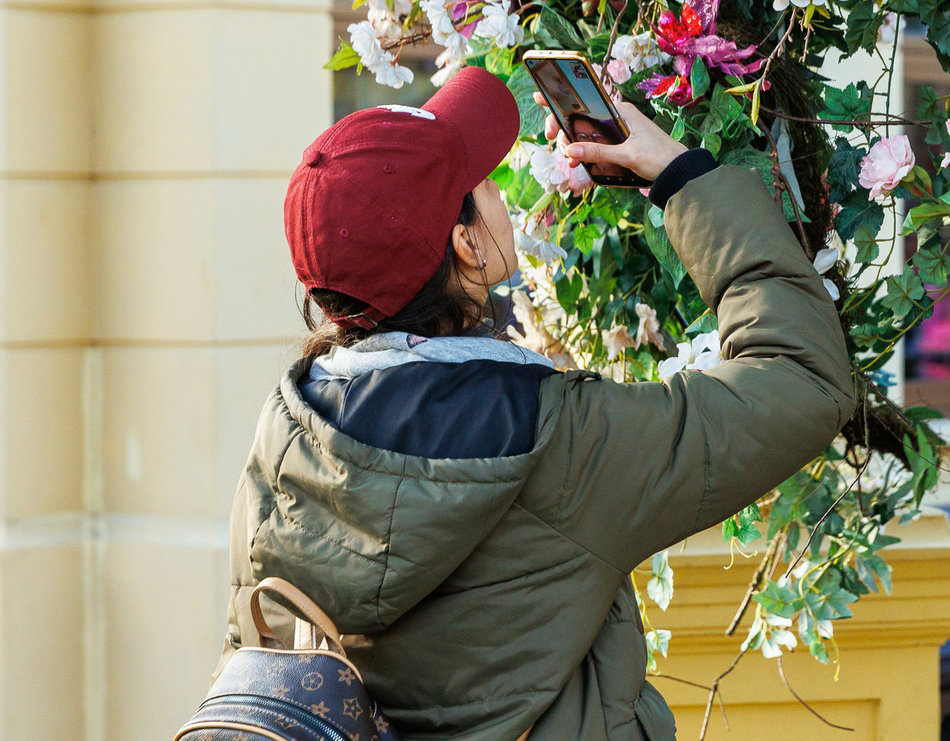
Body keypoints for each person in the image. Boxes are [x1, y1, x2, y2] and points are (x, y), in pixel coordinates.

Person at [219, 66, 855, 741]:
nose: (501, 195)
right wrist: (680, 174)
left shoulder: (284, 441)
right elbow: (801, 378)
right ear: (465, 244)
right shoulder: (555, 442)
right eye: (484, 185)